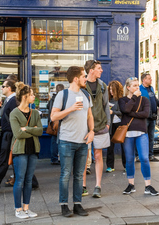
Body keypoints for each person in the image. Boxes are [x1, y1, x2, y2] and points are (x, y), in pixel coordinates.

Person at [51, 66, 94, 217]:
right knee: (65, 174)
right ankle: (64, 205)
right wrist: (70, 109)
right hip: (66, 141)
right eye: (84, 76)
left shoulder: (86, 95)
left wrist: (92, 131)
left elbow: (89, 116)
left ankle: (77, 204)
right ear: (76, 79)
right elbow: (53, 117)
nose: (86, 79)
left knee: (79, 175)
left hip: (83, 142)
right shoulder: (62, 95)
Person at [118, 77, 159, 196]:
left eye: (137, 85)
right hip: (127, 134)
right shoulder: (123, 100)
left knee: (144, 158)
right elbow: (125, 109)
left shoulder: (145, 100)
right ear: (128, 87)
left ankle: (148, 186)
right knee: (129, 159)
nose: (137, 87)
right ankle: (131, 185)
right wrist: (134, 98)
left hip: (141, 133)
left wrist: (130, 113)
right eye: (134, 85)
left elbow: (146, 114)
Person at [10, 82, 43, 219]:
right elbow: (18, 134)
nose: (34, 97)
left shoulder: (34, 112)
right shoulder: (14, 113)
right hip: (20, 151)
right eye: (31, 95)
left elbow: (40, 131)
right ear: (24, 97)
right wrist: (33, 130)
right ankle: (18, 209)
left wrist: (28, 129)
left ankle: (26, 208)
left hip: (33, 150)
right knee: (20, 179)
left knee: (29, 180)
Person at [83, 60, 111, 198]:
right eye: (99, 68)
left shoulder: (102, 86)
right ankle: (83, 186)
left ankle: (98, 186)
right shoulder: (82, 85)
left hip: (100, 125)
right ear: (91, 70)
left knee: (98, 155)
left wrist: (108, 124)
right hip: (84, 127)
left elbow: (106, 105)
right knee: (84, 156)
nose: (102, 70)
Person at [139, 73, 159, 162]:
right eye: (149, 78)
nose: (151, 80)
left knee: (151, 137)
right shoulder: (140, 89)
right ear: (144, 80)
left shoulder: (151, 88)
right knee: (142, 137)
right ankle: (140, 156)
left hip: (152, 117)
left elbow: (154, 99)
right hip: (144, 117)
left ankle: (150, 155)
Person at [106, 80, 126, 173]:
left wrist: (113, 112)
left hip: (120, 125)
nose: (111, 91)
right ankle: (110, 166)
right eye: (110, 89)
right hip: (110, 125)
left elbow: (123, 112)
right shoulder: (107, 100)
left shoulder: (122, 100)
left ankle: (126, 165)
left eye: (112, 89)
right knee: (110, 146)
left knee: (124, 146)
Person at [47, 83, 64, 165]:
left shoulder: (52, 99)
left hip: (52, 122)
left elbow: (48, 107)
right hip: (59, 122)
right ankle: (58, 158)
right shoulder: (62, 98)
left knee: (54, 141)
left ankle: (53, 158)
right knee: (60, 141)